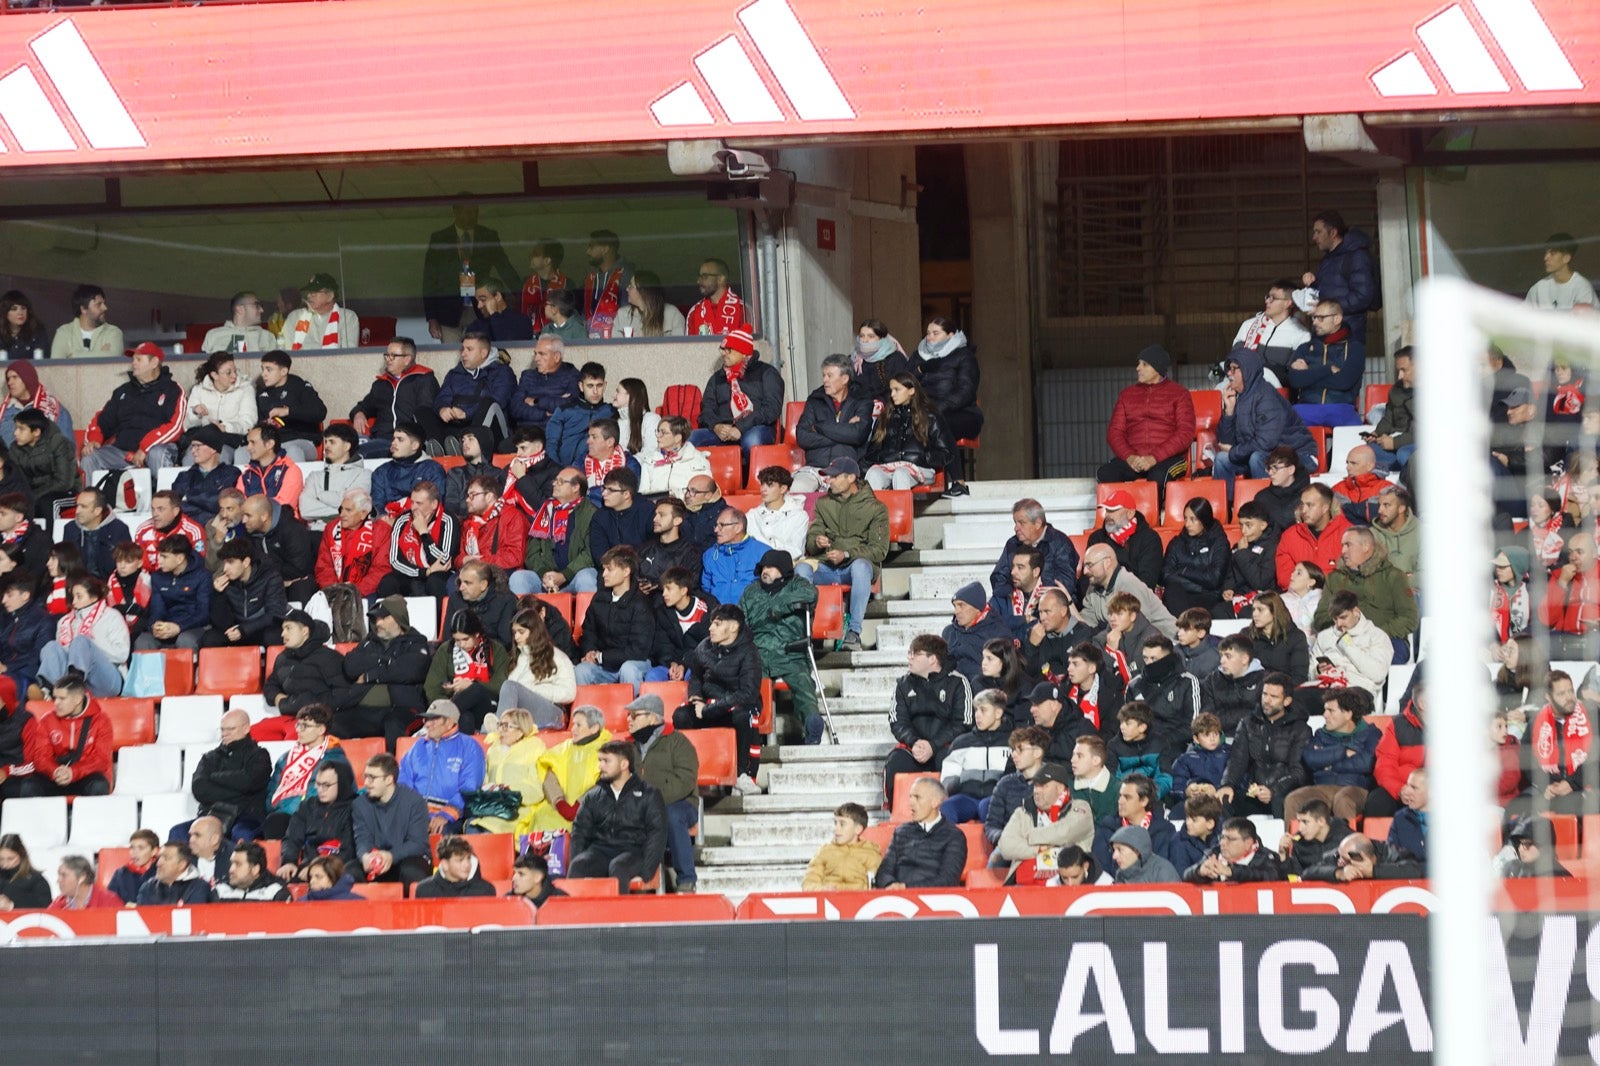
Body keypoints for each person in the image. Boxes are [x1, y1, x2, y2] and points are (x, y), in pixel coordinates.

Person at [796, 458, 888, 653]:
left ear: (851, 478)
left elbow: (879, 550)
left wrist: (846, 554)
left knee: (861, 567)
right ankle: (806, 629)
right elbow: (812, 539)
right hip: (827, 565)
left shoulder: (876, 508)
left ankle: (854, 632)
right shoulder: (823, 503)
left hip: (854, 567)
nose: (830, 481)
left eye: (835, 476)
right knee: (801, 568)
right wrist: (817, 541)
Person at [738, 550, 821, 742]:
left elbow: (811, 594)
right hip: (758, 654)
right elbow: (740, 620)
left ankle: (813, 724)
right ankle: (753, 735)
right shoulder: (751, 590)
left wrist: (780, 605)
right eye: (764, 567)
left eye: (771, 567)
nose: (765, 571)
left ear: (783, 570)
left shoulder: (798, 585)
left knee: (803, 685)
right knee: (749, 689)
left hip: (790, 651)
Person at [568, 739, 669, 893]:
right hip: (600, 851)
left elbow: (657, 834)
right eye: (600, 761)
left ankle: (619, 915)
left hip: (633, 851)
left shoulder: (649, 794)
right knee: (578, 866)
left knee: (618, 867)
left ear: (624, 765)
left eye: (606, 761)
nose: (600, 766)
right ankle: (577, 916)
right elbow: (579, 831)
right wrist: (575, 858)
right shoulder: (593, 796)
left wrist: (646, 873)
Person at [883, 634, 973, 803]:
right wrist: (915, 742)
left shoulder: (958, 682)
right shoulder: (903, 684)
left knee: (947, 760)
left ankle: (950, 812)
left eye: (915, 654)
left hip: (945, 745)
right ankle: (896, 813)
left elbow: (964, 722)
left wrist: (933, 745)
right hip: (914, 747)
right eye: (909, 652)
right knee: (896, 761)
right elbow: (897, 721)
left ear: (932, 659)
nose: (909, 657)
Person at [80, 342, 188, 480]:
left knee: (157, 454)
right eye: (133, 360)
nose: (133, 364)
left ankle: (165, 500)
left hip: (156, 449)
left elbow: (176, 427)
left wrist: (145, 448)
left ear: (154, 362)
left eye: (138, 359)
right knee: (90, 457)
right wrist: (94, 439)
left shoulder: (173, 390)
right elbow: (103, 419)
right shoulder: (123, 391)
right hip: (122, 452)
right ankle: (94, 501)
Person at [626, 694, 700, 892]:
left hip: (680, 803)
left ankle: (686, 879)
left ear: (652, 717)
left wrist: (651, 801)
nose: (628, 720)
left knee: (672, 814)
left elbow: (685, 780)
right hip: (639, 806)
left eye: (634, 715)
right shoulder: (627, 747)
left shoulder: (677, 742)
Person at [1098, 344, 1196, 490]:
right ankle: (1120, 511)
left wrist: (1154, 458)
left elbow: (1185, 433)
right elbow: (1114, 432)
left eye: (1144, 364)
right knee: (1106, 473)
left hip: (1168, 459)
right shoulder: (1126, 395)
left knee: (1158, 477)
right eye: (1138, 364)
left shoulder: (1180, 394)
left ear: (1157, 368)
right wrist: (1130, 457)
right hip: (1133, 459)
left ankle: (1156, 512)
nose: (1138, 368)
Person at [337, 596, 433, 743]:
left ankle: (393, 766)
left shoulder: (416, 641)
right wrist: (386, 661)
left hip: (402, 708)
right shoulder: (369, 642)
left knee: (394, 725)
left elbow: (411, 670)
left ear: (399, 619)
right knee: (334, 724)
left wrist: (370, 675)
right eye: (376, 619)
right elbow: (351, 666)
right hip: (362, 709)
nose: (378, 623)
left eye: (383, 618)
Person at [1213, 347, 1316, 482]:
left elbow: (1266, 443)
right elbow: (1226, 443)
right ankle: (1230, 503)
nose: (1229, 374)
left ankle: (1264, 502)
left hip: (1298, 455)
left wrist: (1234, 451)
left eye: (1234, 369)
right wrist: (1229, 411)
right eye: (1228, 369)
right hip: (1262, 454)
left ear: (1247, 370)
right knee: (1221, 459)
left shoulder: (1266, 396)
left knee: (1258, 458)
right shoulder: (1238, 396)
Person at [1315, 528, 1418, 659]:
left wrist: (1373, 634)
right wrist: (1344, 629)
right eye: (1343, 545)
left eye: (1348, 545)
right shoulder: (1334, 578)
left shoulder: (1394, 576)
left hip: (1387, 639)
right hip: (1344, 639)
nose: (1343, 551)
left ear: (1366, 547)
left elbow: (1408, 618)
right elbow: (1321, 616)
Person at [423, 203, 519, 344]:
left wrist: (520, 294)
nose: (471, 215)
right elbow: (429, 279)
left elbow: (504, 267)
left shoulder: (488, 236)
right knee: (450, 356)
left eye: (475, 211)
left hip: (480, 307)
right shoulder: (440, 237)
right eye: (467, 211)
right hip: (447, 310)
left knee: (479, 354)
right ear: (455, 211)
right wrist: (431, 317)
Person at [1217, 672, 1308, 818]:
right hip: (1255, 795)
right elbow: (1236, 761)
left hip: (1284, 795)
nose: (1267, 700)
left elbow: (1298, 772)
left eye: (1274, 697)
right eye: (1265, 694)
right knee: (1223, 800)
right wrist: (1227, 784)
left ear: (1287, 701)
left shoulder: (1300, 729)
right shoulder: (1248, 723)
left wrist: (1273, 790)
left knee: (1282, 802)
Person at [1283, 687, 1379, 825]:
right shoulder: (1321, 734)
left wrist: (1328, 764)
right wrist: (1343, 751)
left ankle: (1348, 845)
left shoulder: (1370, 733)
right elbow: (1310, 758)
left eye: (1331, 711)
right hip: (1323, 788)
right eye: (1325, 710)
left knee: (1343, 799)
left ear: (1348, 714)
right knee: (1293, 799)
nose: (1325, 715)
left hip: (1355, 788)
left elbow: (1366, 763)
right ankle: (1293, 844)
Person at [257, 610, 356, 741]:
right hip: (290, 716)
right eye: (283, 629)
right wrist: (278, 698)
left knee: (296, 737)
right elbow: (270, 685)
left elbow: (343, 694)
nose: (283, 634)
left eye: (288, 628)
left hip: (320, 721)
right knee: (250, 734)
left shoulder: (329, 658)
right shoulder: (283, 658)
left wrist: (308, 704)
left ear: (304, 631)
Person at [910, 317, 982, 496]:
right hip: (924, 413)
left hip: (962, 413)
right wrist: (921, 370)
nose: (930, 337)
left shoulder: (964, 356)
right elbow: (903, 381)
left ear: (950, 335)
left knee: (938, 423)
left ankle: (958, 482)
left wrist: (938, 408)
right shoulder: (919, 356)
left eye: (936, 333)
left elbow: (966, 391)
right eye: (928, 333)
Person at [995, 761, 1094, 885]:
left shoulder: (1080, 808)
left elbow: (1064, 832)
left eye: (1043, 786)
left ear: (1060, 788)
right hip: (1024, 884)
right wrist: (1040, 848)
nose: (1037, 791)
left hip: (1067, 883)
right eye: (1036, 786)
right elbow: (1005, 846)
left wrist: (1030, 836)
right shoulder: (1023, 811)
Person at [571, 546, 654, 692]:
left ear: (626, 571)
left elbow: (638, 651)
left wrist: (601, 657)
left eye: (609, 569)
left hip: (634, 662)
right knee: (581, 670)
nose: (604, 574)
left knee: (629, 669)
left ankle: (634, 713)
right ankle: (584, 714)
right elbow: (589, 632)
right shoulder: (599, 598)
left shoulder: (641, 604)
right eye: (604, 569)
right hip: (604, 664)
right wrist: (589, 651)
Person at [259, 705, 346, 838]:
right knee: (274, 822)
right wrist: (276, 806)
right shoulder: (286, 758)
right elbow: (273, 789)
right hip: (283, 816)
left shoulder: (335, 759)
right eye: (298, 725)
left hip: (318, 817)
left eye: (305, 726)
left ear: (321, 729)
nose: (299, 730)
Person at [692, 329, 784, 456]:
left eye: (728, 349)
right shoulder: (717, 378)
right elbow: (707, 409)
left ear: (743, 352)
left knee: (751, 441)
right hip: (723, 431)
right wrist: (716, 426)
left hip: (756, 427)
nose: (724, 353)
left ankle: (749, 475)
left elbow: (772, 409)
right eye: (722, 349)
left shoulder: (766, 373)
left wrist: (741, 427)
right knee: (691, 440)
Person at [37, 575, 127, 698]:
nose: (73, 602)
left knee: (81, 641)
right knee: (51, 646)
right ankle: (47, 690)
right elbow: (60, 657)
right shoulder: (64, 622)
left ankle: (73, 687)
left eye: (79, 596)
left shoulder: (112, 616)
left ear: (94, 597)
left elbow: (122, 654)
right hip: (69, 676)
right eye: (72, 597)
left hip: (108, 679)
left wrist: (90, 648)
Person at [1295, 210, 1378, 343]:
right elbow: (1330, 290)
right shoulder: (1329, 258)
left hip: (1347, 334)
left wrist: (1325, 310)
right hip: (1326, 332)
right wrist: (1313, 283)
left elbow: (1362, 297)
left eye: (1318, 232)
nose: (1314, 237)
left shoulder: (1357, 256)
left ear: (1333, 233)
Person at [350, 338, 442, 458]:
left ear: (407, 359)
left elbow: (426, 412)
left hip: (410, 439)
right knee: (353, 452)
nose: (388, 359)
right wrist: (358, 413)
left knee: (364, 454)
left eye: (393, 355)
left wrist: (412, 437)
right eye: (387, 355)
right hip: (383, 438)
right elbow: (364, 406)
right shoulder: (381, 384)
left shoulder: (423, 379)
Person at [793, 354, 873, 491]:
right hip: (815, 467)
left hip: (846, 469)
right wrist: (844, 432)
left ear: (845, 379)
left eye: (830, 376)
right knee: (798, 488)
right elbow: (802, 437)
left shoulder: (862, 401)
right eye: (824, 375)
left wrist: (819, 427)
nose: (825, 380)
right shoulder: (815, 400)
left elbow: (858, 435)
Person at [864, 371, 954, 491]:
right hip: (889, 467)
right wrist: (887, 457)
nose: (892, 394)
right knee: (874, 473)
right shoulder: (885, 418)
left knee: (901, 474)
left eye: (897, 389)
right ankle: (874, 510)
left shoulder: (930, 417)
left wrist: (920, 458)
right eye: (891, 390)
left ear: (911, 391)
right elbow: (871, 452)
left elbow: (945, 453)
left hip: (921, 469)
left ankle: (901, 509)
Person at [187, 709, 271, 838]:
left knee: (242, 834)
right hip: (211, 815)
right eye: (222, 729)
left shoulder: (259, 755)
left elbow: (250, 782)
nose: (224, 734)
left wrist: (214, 777)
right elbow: (199, 789)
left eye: (230, 729)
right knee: (179, 832)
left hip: (246, 816)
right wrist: (240, 791)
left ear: (246, 728)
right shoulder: (210, 757)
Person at [514, 467, 597, 595]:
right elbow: (532, 551)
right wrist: (544, 574)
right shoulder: (546, 510)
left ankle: (586, 615)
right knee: (518, 578)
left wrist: (564, 575)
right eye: (555, 481)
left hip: (574, 578)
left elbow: (590, 553)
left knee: (587, 577)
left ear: (575, 487)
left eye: (560, 482)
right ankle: (524, 615)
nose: (554, 484)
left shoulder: (591, 513)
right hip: (545, 580)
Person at [353, 752, 432, 885]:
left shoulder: (415, 802)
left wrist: (390, 856)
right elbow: (362, 839)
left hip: (408, 858)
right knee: (350, 873)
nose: (366, 783)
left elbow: (417, 843)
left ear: (389, 779)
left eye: (372, 777)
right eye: (365, 776)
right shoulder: (359, 804)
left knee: (412, 872)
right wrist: (366, 857)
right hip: (375, 858)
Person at [874, 777, 968, 888]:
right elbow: (884, 872)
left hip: (935, 900)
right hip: (897, 898)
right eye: (910, 797)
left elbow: (948, 879)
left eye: (917, 797)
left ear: (935, 802)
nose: (911, 803)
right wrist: (891, 885)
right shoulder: (901, 832)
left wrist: (906, 887)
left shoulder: (954, 836)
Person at [423, 613, 508, 736]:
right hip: (459, 709)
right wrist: (450, 691)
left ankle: (440, 718)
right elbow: (432, 687)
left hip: (487, 708)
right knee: (466, 718)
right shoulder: (445, 650)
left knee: (476, 689)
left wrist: (470, 685)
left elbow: (501, 686)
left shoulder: (496, 650)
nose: (461, 645)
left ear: (477, 635)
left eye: (465, 639)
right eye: (457, 640)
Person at [938, 688, 1013, 824]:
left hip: (996, 798)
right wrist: (953, 787)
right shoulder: (961, 742)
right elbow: (948, 777)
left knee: (987, 808)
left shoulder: (1013, 742)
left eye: (983, 710)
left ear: (998, 713)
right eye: (976, 710)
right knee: (946, 808)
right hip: (966, 798)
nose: (977, 715)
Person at [1286, 299, 1365, 428]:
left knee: (1356, 437)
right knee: (1284, 426)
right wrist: (1328, 369)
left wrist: (1308, 373)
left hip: (1341, 408)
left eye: (1321, 318)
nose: (1315, 322)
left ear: (1337, 319)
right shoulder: (1305, 348)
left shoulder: (1355, 348)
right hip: (1306, 408)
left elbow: (1344, 382)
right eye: (1314, 318)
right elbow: (1295, 380)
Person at [991, 499, 1080, 609]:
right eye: (1015, 523)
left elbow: (1067, 583)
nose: (1016, 528)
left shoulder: (1060, 543)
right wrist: (1014, 596)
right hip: (1018, 604)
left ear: (1037, 523)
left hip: (1050, 604)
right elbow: (998, 578)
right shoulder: (1013, 544)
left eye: (1022, 523)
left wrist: (1034, 594)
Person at [277, 759, 357, 881]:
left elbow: (348, 849)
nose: (320, 790)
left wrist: (317, 867)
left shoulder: (355, 807)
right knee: (284, 879)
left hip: (339, 866)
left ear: (341, 783)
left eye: (326, 785)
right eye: (318, 784)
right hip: (309, 864)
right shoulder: (307, 806)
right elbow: (292, 838)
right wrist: (289, 862)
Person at [1078, 543, 1178, 639]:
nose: (1085, 571)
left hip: (1168, 644)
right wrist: (1069, 604)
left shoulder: (1128, 584)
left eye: (1089, 565)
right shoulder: (1094, 586)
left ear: (1107, 562)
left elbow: (1140, 630)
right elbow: (1086, 622)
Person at [497, 609, 576, 730]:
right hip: (523, 711)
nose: (516, 637)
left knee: (510, 686)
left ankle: (500, 728)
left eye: (521, 632)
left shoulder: (557, 657)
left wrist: (534, 690)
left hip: (553, 712)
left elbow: (569, 693)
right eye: (514, 632)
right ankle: (494, 730)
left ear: (534, 632)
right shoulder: (517, 658)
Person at [436, 332, 516, 450]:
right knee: (423, 411)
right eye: (462, 349)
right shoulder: (454, 374)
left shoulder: (502, 372)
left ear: (483, 353)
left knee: (489, 403)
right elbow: (443, 396)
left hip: (491, 431)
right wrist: (442, 409)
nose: (463, 354)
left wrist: (466, 413)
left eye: (469, 349)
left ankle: (465, 445)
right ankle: (438, 447)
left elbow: (499, 401)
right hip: (456, 426)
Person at [378, 480, 458, 599]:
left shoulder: (448, 520)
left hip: (439, 573)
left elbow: (444, 560)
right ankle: (389, 617)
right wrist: (424, 572)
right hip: (412, 572)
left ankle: (436, 617)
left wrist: (423, 533)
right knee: (387, 583)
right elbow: (395, 560)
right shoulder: (402, 520)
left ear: (434, 504)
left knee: (434, 582)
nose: (413, 507)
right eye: (412, 502)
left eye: (419, 503)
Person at [202, 538, 285, 649]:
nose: (225, 568)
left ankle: (271, 666)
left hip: (260, 630)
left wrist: (244, 629)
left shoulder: (270, 577)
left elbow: (275, 614)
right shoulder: (226, 582)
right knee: (210, 638)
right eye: (224, 562)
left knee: (273, 636)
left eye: (230, 562)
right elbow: (222, 624)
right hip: (237, 632)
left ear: (246, 562)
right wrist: (218, 594)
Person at [1311, 590, 1393, 698]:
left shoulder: (1377, 636)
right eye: (1335, 619)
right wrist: (1317, 670)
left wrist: (1348, 645)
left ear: (1356, 612)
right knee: (1298, 699)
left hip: (1357, 690)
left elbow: (1378, 675)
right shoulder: (1324, 636)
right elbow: (1310, 670)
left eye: (1343, 617)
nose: (1339, 624)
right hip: (1325, 687)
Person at [1160, 498, 1229, 615]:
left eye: (1193, 519)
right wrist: (1199, 587)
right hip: (1181, 595)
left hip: (1208, 597)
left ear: (1204, 519)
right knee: (1172, 590)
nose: (1187, 524)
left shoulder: (1219, 542)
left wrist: (1183, 570)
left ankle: (1185, 627)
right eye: (1186, 518)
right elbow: (1165, 575)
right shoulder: (1177, 543)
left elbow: (1214, 578)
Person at [1276, 483, 1350, 590]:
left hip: (1337, 598)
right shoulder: (1290, 536)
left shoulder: (1348, 533)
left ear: (1325, 508)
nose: (1304, 510)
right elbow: (1285, 578)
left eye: (1310, 505)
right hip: (1300, 598)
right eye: (1302, 505)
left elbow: (1353, 574)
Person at [1232, 278, 1312, 371]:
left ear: (1288, 303)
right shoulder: (1249, 325)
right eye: (1267, 297)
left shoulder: (1301, 335)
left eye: (1273, 298)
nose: (1267, 301)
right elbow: (1233, 359)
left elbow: (1293, 373)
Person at [370, 424, 449, 519]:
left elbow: (435, 505)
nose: (393, 443)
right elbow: (377, 505)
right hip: (386, 525)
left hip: (421, 524)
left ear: (415, 445)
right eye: (393, 439)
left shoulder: (432, 469)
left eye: (400, 440)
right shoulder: (382, 471)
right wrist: (385, 519)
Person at [11, 409, 77, 519]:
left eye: (21, 429)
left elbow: (64, 482)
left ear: (36, 432)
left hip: (66, 493)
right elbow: (18, 478)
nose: (15, 433)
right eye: (16, 428)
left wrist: (34, 495)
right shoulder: (15, 448)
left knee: (45, 503)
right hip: (34, 493)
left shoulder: (59, 443)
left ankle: (49, 536)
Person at [801, 802, 882, 890]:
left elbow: (876, 888)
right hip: (828, 900)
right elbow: (809, 883)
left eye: (842, 824)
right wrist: (822, 889)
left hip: (859, 901)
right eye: (835, 823)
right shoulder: (825, 851)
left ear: (858, 829)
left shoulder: (871, 853)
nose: (836, 829)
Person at [171, 427, 240, 528]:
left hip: (219, 531)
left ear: (213, 449)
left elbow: (220, 504)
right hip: (189, 530)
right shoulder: (184, 476)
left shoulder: (231, 473)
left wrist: (188, 497)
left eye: (197, 446)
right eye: (192, 447)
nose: (193, 451)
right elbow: (175, 506)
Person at [703, 506, 769, 609]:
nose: (716, 530)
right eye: (716, 525)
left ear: (738, 527)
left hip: (752, 617)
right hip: (718, 616)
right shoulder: (710, 555)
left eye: (722, 525)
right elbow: (705, 590)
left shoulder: (763, 552)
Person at [1181, 816, 1282, 883]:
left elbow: (1271, 877)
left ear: (1248, 843)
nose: (1223, 843)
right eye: (1222, 837)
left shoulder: (1266, 857)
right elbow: (1186, 876)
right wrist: (1199, 871)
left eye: (1230, 839)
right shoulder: (1214, 854)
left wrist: (1231, 871)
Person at [235, 421, 306, 517]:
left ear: (269, 444)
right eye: (248, 443)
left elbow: (285, 506)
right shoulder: (246, 475)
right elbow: (239, 506)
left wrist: (255, 516)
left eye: (253, 443)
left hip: (282, 526)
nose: (248, 447)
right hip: (253, 527)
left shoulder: (290, 470)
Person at [1300, 831, 1422, 882]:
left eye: (1346, 860)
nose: (1339, 860)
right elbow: (1308, 873)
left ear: (1363, 858)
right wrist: (1338, 873)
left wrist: (1373, 871)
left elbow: (1414, 870)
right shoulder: (1338, 854)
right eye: (1340, 855)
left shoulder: (1391, 852)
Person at [0, 576, 51, 698]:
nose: (3, 600)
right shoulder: (4, 618)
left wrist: (8, 668)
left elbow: (38, 657)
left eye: (9, 595)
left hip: (26, 674)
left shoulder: (43, 621)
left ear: (25, 595)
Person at [1367, 346, 1416, 472]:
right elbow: (1389, 418)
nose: (1399, 376)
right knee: (1368, 452)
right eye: (1398, 371)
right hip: (1397, 440)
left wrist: (1395, 443)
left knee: (1404, 453)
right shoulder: (1396, 390)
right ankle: (1401, 469)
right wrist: (1376, 433)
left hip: (1418, 444)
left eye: (1404, 370)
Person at [743, 466, 808, 561]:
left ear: (783, 489)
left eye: (770, 485)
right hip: (758, 563)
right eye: (762, 484)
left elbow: (796, 550)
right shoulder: (752, 515)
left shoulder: (799, 515)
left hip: (788, 564)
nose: (763, 489)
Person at [1167, 712, 1229, 811]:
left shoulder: (1229, 755)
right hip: (1193, 803)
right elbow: (1176, 786)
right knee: (1176, 813)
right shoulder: (1185, 759)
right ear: (1196, 738)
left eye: (1216, 734)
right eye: (1207, 735)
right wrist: (1186, 792)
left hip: (1220, 800)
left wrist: (1216, 790)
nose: (1212, 739)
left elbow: (1237, 782)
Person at [282, 273, 360, 350]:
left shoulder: (347, 317)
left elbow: (348, 354)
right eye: (309, 292)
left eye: (314, 292)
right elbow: (289, 353)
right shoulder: (295, 317)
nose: (309, 295)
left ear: (330, 296)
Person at [580, 230, 634, 338]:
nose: (587, 252)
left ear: (605, 249)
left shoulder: (626, 275)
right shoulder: (591, 277)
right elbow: (584, 312)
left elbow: (627, 313)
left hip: (616, 339)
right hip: (589, 338)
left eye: (591, 247)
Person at [1247, 592, 1310, 684]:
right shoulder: (1247, 635)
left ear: (1274, 611)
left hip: (1285, 691)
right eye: (1253, 610)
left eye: (1260, 610)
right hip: (1254, 690)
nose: (1255, 614)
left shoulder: (1296, 637)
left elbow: (1300, 676)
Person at [1526, 232, 1597, 311]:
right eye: (1546, 253)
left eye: (1552, 253)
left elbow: (1585, 321)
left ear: (1566, 258)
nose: (1546, 258)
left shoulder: (1582, 288)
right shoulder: (1538, 288)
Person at [49, 283, 123, 359]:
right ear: (84, 309)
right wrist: (101, 354)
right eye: (99, 304)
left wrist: (73, 356)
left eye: (104, 303)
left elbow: (113, 359)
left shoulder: (114, 332)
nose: (105, 308)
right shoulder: (64, 332)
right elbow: (56, 366)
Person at [412, 835, 497, 899]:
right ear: (445, 864)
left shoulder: (485, 890)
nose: (467, 864)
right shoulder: (425, 890)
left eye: (468, 859)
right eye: (460, 860)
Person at [209, 842, 291, 903]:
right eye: (231, 864)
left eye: (238, 864)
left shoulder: (276, 891)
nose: (231, 870)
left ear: (255, 869)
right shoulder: (221, 890)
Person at [613, 269, 687, 337]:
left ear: (643, 291)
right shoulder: (622, 315)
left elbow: (679, 348)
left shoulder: (672, 314)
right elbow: (615, 347)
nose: (627, 289)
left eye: (631, 286)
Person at [686, 257, 748, 336]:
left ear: (721, 279)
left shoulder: (742, 309)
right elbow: (688, 347)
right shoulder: (694, 312)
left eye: (704, 276)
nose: (698, 281)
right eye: (699, 276)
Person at [134, 842, 211, 906]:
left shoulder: (199, 887)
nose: (158, 863)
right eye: (159, 858)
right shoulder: (148, 887)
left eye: (166, 858)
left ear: (182, 865)